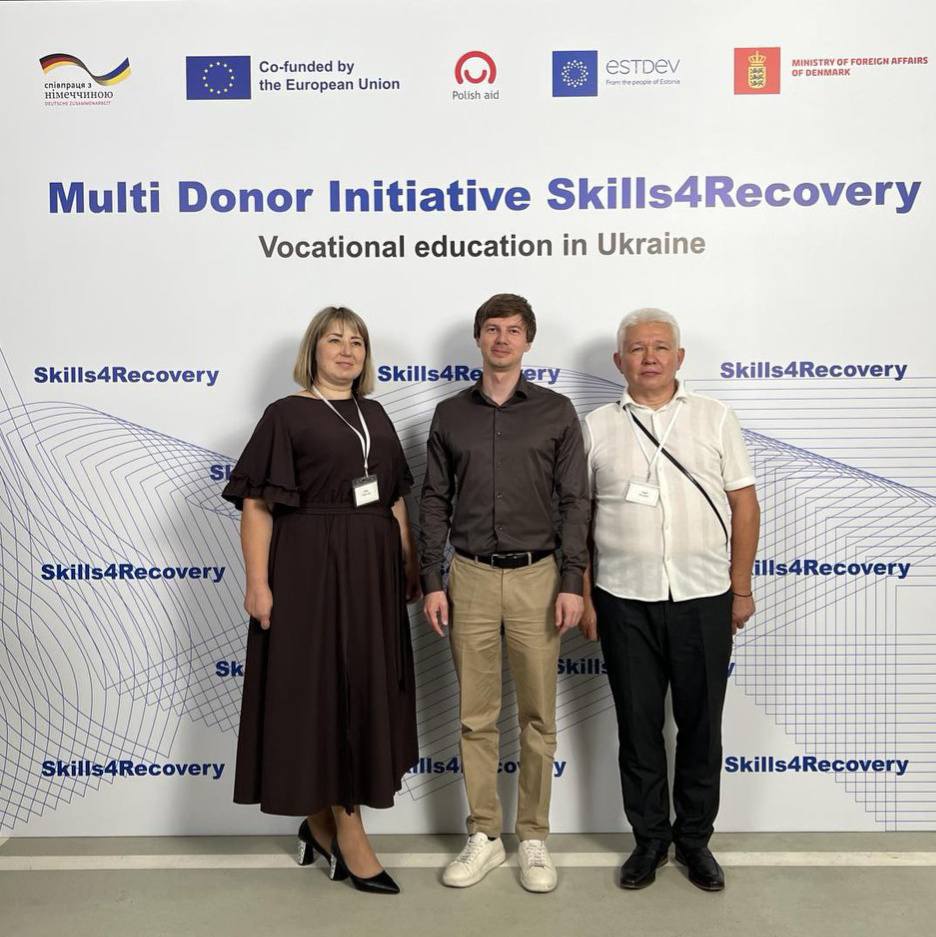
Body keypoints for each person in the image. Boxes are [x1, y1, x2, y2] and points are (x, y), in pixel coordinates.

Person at [222, 306, 419, 895]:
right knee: (317, 693)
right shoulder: (285, 415)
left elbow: (393, 497)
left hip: (371, 570)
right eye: (335, 340)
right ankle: (347, 832)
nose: (347, 350)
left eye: (357, 341)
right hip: (308, 567)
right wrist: (258, 582)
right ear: (313, 350)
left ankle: (318, 822)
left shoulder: (375, 414)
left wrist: (407, 561)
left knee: (361, 688)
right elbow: (257, 505)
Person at [581, 308, 760, 892]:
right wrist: (584, 594)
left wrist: (740, 587)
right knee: (637, 727)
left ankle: (695, 841)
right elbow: (578, 517)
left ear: (679, 357)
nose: (650, 357)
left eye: (661, 347)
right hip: (622, 599)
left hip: (703, 597)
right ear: (619, 361)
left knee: (700, 727)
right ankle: (650, 841)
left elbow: (744, 504)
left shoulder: (715, 417)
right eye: (637, 348)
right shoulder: (595, 426)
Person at [420, 293, 590, 893]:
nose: (502, 339)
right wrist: (432, 580)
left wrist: (573, 580)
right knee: (476, 717)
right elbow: (434, 499)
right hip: (467, 575)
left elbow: (575, 502)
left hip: (538, 577)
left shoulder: (556, 412)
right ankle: (485, 834)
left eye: (513, 330)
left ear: (528, 341)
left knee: (539, 716)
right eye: (492, 329)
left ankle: (534, 836)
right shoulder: (450, 415)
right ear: (478, 338)